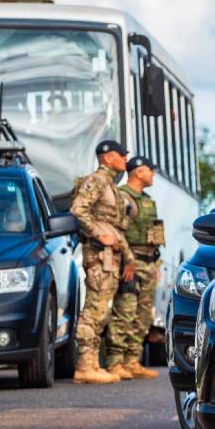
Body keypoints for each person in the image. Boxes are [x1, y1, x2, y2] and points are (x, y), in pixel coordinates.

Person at [69, 140, 136, 385]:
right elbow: (78, 210)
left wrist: (128, 257)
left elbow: (116, 228)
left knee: (102, 310)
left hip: (110, 257)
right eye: (122, 155)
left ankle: (93, 364)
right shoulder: (96, 181)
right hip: (98, 256)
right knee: (94, 309)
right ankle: (85, 365)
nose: (125, 160)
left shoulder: (111, 185)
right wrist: (98, 234)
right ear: (107, 157)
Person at [106, 155, 164, 380]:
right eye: (150, 170)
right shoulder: (122, 197)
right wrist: (125, 260)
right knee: (124, 312)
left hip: (148, 263)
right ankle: (115, 362)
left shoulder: (148, 201)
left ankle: (132, 360)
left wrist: (157, 262)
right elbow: (117, 232)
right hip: (129, 263)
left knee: (142, 315)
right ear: (139, 171)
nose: (153, 175)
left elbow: (156, 234)